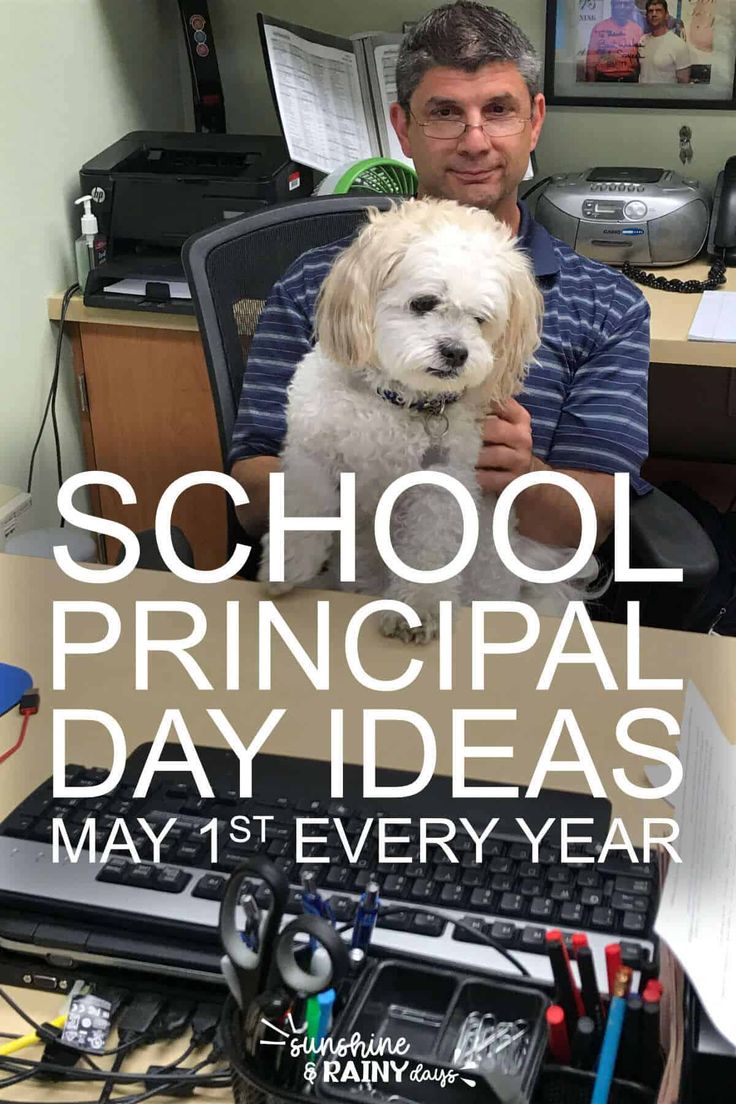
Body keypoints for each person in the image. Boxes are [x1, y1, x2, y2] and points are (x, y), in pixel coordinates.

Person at [229, 1, 650, 551]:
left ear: (535, 121)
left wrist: (521, 476)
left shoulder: (608, 305)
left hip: (505, 591)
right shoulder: (318, 283)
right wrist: (340, 462)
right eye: (445, 113)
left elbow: (592, 522)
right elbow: (249, 506)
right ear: (403, 128)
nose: (475, 141)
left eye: (499, 110)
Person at [584, 0, 643, 83]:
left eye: (626, 4)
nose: (622, 8)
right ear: (612, 5)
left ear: (631, 7)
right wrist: (591, 89)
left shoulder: (637, 30)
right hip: (605, 80)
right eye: (618, 4)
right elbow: (590, 64)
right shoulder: (599, 28)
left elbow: (641, 64)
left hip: (629, 80)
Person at [638, 0, 692, 82]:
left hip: (666, 95)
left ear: (666, 15)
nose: (654, 14)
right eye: (650, 11)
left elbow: (684, 82)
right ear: (646, 15)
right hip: (640, 94)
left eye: (658, 10)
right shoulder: (642, 41)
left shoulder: (678, 44)